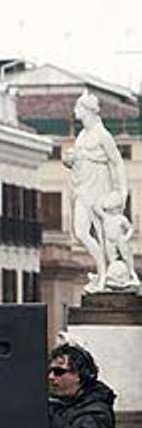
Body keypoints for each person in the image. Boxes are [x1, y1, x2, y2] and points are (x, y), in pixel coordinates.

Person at [63, 92, 138, 292]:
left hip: (98, 187)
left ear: (86, 110)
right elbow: (80, 161)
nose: (74, 111)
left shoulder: (102, 135)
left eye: (77, 107)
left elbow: (117, 162)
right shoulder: (81, 135)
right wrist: (70, 162)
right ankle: (102, 270)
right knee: (80, 232)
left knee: (104, 236)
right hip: (81, 188)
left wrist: (122, 190)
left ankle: (105, 274)